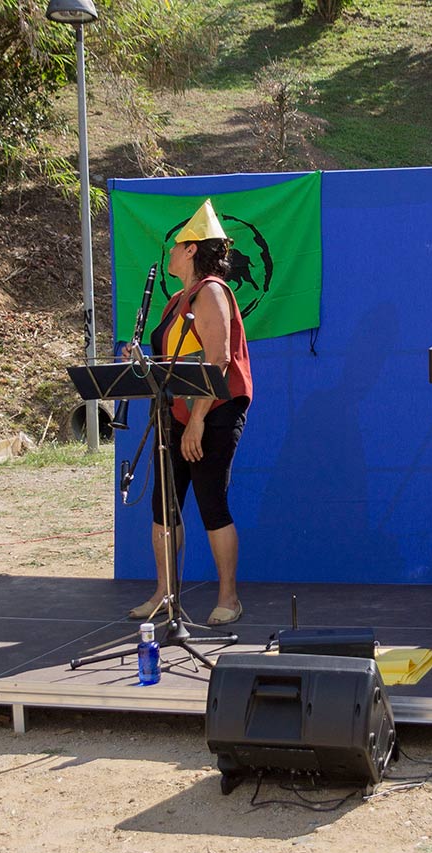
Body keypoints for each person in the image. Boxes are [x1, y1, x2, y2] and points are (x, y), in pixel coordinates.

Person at [124, 200, 253, 626]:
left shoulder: (213, 291)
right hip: (174, 413)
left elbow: (216, 362)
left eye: (177, 246)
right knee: (164, 506)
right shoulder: (174, 301)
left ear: (193, 249)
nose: (171, 253)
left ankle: (229, 598)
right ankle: (164, 595)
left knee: (211, 502)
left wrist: (197, 420)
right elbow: (164, 367)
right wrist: (138, 359)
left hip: (213, 412)